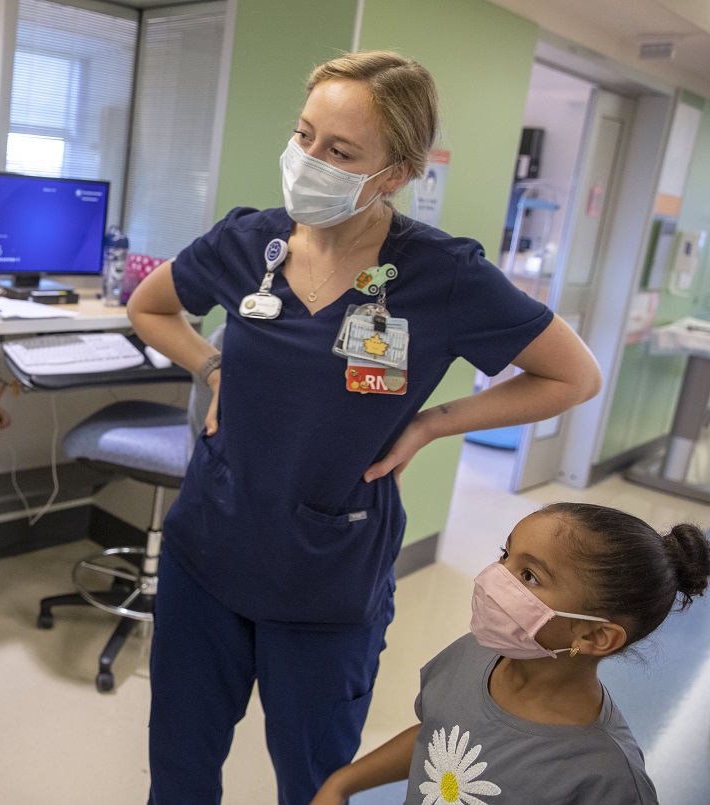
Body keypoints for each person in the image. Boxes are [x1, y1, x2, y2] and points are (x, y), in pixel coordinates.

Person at [126, 51, 602, 804]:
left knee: (316, 783)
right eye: (304, 136)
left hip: (328, 574)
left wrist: (435, 422)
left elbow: (573, 375)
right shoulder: (250, 242)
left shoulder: (443, 276)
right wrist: (214, 370)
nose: (308, 161)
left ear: (396, 173)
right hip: (206, 553)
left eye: (339, 151)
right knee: (180, 773)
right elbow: (149, 307)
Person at [310, 503, 710, 804]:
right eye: (506, 554)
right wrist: (343, 781)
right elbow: (439, 734)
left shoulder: (605, 776)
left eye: (529, 576)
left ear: (595, 636)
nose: (495, 578)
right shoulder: (473, 655)